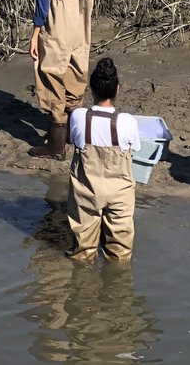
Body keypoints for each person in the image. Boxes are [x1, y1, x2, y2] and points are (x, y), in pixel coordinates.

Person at [29, 0, 94, 160]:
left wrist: (35, 35)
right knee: (75, 82)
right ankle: (75, 137)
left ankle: (56, 147)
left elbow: (41, 8)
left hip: (56, 34)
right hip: (79, 34)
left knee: (52, 80)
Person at [66, 57, 141, 262]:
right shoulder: (127, 121)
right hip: (119, 193)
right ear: (117, 88)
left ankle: (82, 287)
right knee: (120, 255)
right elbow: (136, 148)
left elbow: (73, 140)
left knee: (82, 253)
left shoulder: (78, 116)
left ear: (91, 89)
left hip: (87, 190)